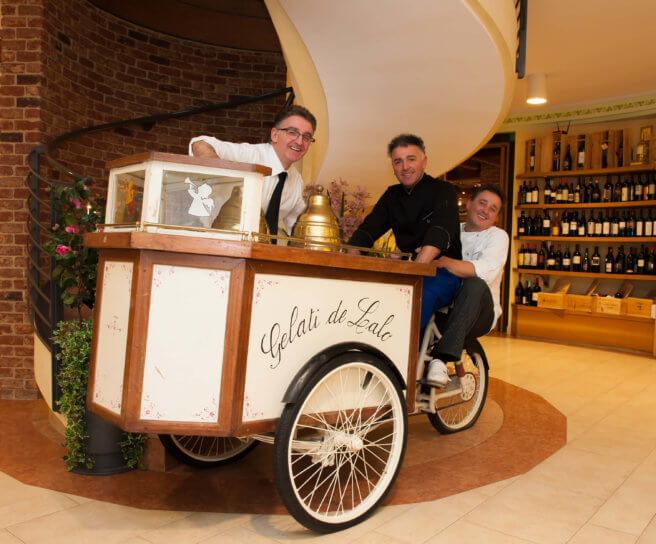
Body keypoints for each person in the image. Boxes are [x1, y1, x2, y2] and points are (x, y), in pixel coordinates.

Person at [347, 133, 463, 343]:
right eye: (398, 161)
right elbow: (366, 231)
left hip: (442, 273)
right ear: (393, 166)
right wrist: (350, 261)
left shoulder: (443, 191)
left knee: (408, 304)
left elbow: (438, 235)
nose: (405, 167)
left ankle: (400, 360)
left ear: (424, 161)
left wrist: (411, 277)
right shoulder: (392, 195)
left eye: (411, 159)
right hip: (409, 270)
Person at [424, 184, 509, 386]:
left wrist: (444, 262)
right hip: (444, 310)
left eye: (492, 209)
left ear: (496, 217)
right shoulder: (451, 232)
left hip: (480, 314)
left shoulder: (498, 236)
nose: (485, 211)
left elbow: (484, 269)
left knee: (475, 283)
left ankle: (441, 360)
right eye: (482, 203)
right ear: (469, 204)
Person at [189, 105, 317, 236]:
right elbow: (200, 143)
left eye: (306, 137)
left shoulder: (295, 180)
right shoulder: (249, 154)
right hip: (212, 239)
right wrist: (220, 172)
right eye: (292, 132)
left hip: (258, 250)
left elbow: (298, 229)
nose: (300, 141)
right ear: (274, 135)